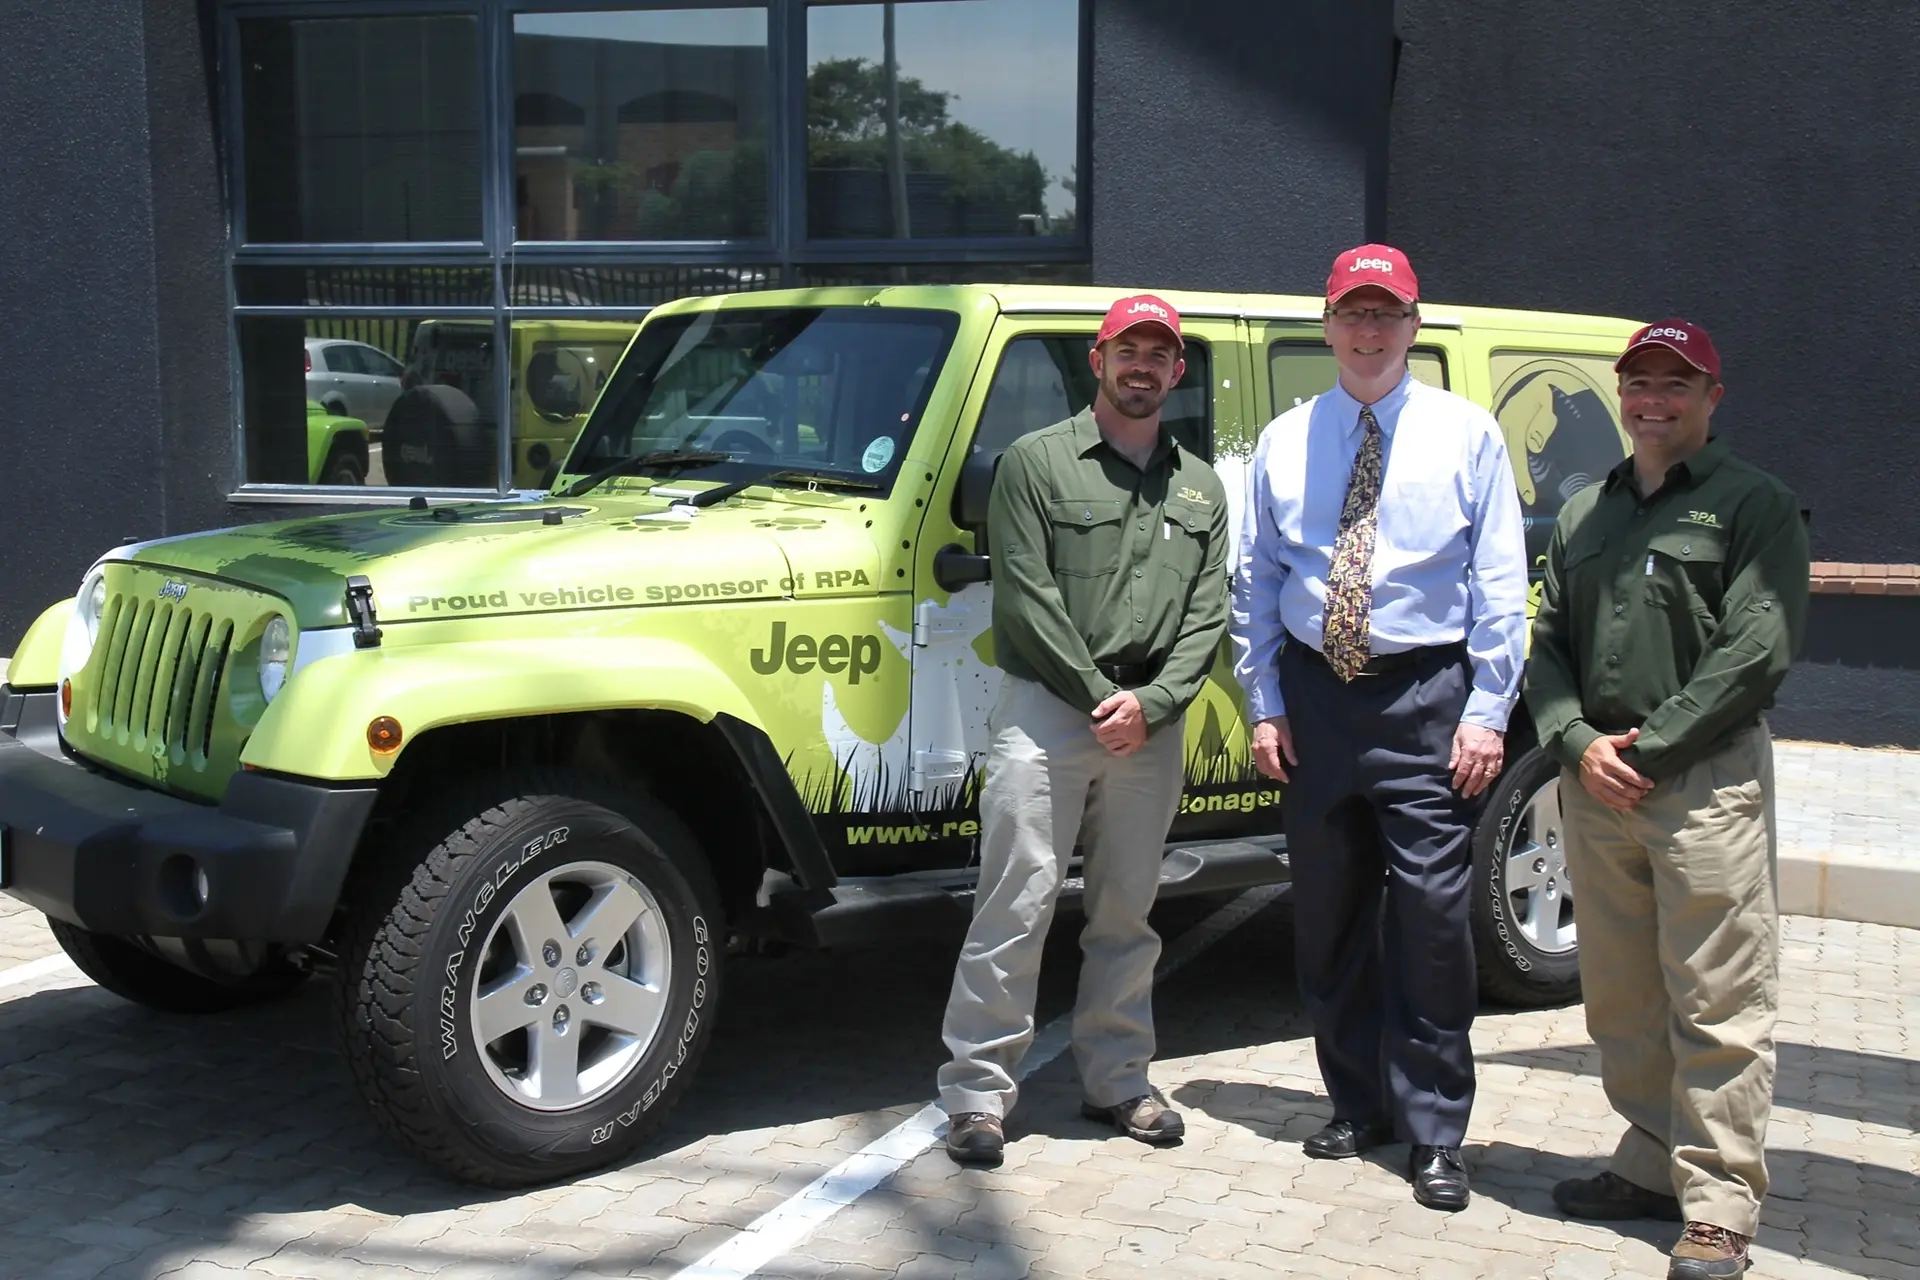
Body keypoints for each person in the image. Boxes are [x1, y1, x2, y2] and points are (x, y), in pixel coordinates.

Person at [1231, 244, 1529, 1211]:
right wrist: (1265, 702)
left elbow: (1499, 585)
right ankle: (1358, 1104)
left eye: (1386, 314)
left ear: (1413, 325)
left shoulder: (1465, 434)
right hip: (1317, 700)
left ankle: (1436, 1128)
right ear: (1326, 324)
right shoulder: (1285, 438)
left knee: (1435, 924)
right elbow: (1261, 581)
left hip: (1425, 697)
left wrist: (1487, 713)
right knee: (1326, 917)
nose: (1368, 331)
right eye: (1353, 313)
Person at [1525, 320, 1808, 1280]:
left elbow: (1757, 645)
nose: (1653, 400)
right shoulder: (1585, 512)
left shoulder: (1753, 505)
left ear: (1710, 397)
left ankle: (1721, 1201)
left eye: (1674, 385)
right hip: (1595, 778)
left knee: (1719, 996)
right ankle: (1650, 1163)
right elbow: (1550, 640)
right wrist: (1574, 740)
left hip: (1701, 783)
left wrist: (1654, 745)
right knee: (1622, 994)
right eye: (1638, 382)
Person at [939, 294, 1231, 1166]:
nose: (1143, 367)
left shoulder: (1200, 485)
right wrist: (1104, 696)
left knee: (1127, 913)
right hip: (1050, 714)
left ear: (1177, 372)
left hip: (1150, 722)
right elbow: (1026, 598)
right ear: (1099, 359)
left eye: (1160, 355)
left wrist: (1154, 702)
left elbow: (1207, 612)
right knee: (1015, 905)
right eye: (1127, 350)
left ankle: (1120, 1082)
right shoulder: (1035, 463)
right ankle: (978, 1097)